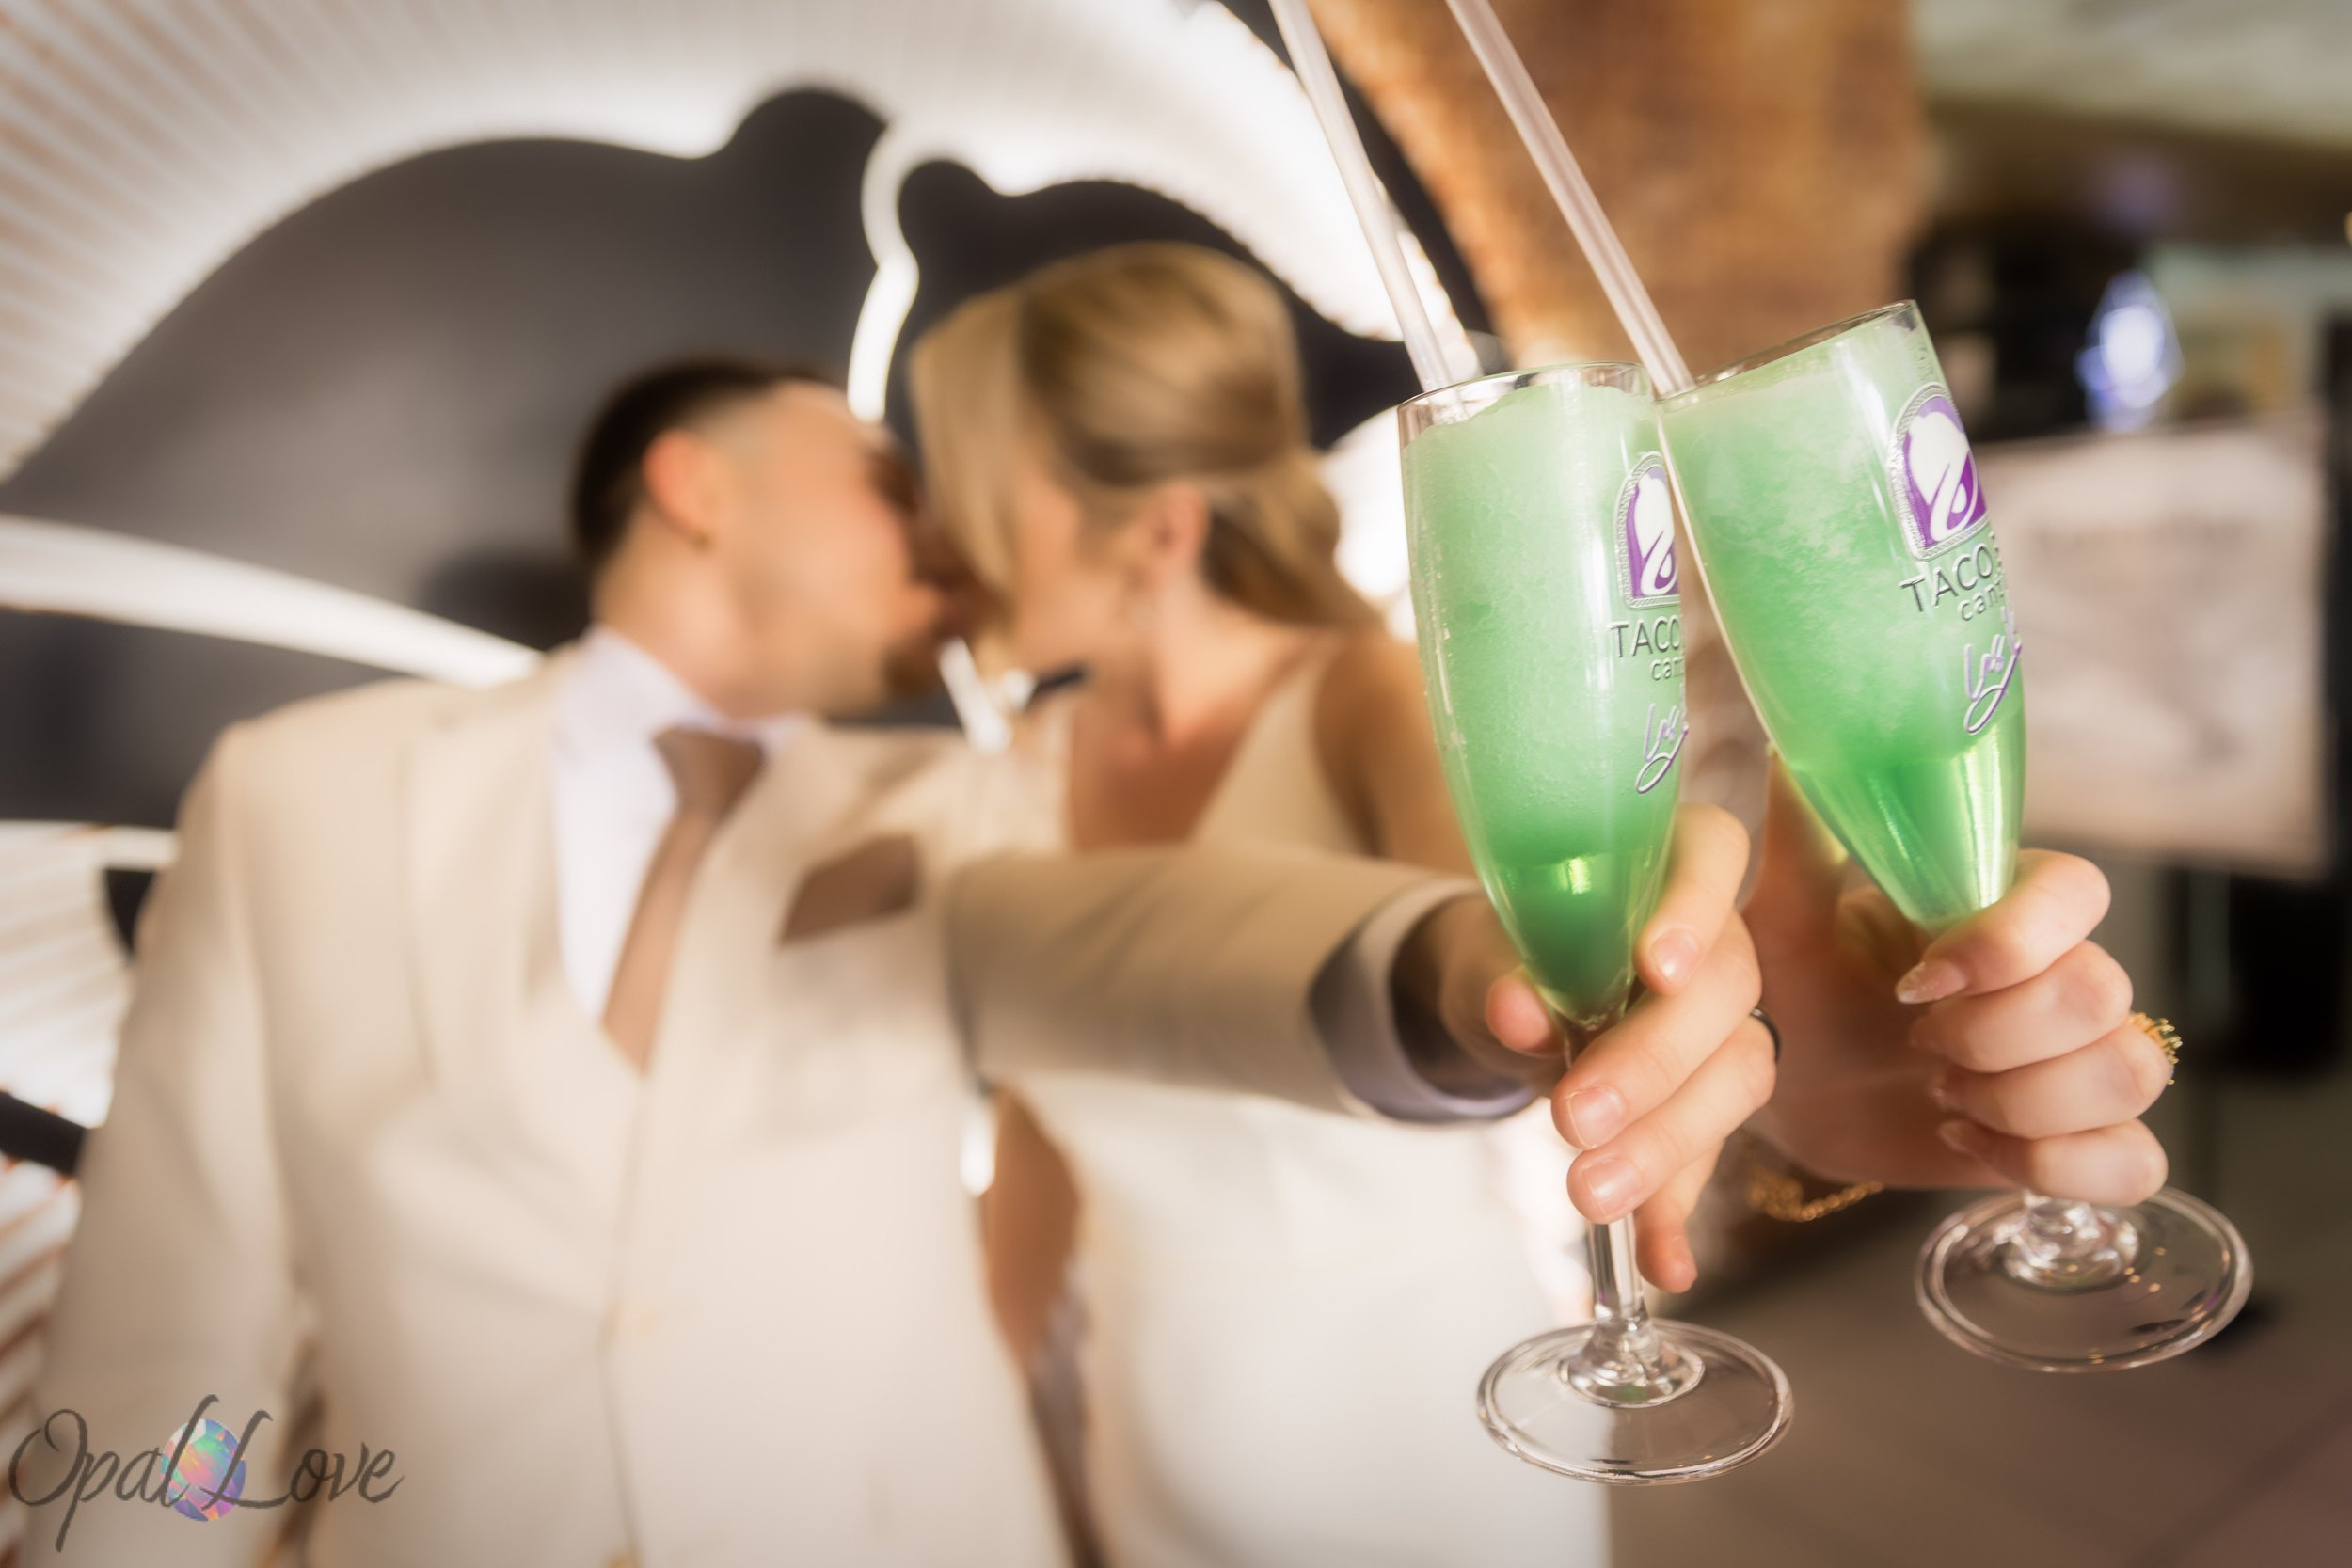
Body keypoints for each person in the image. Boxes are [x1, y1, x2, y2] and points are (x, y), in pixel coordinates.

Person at [22, 360, 1768, 1568]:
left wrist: (1455, 972)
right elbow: (175, 1364)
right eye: (880, 483)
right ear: (695, 488)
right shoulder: (297, 795)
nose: (940, 539)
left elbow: (1153, 952)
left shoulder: (957, 800)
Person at [910, 242, 2175, 1568]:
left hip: (1423, 1440)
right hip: (1151, 1448)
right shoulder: (1013, 780)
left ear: (1156, 529)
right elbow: (1044, 1149)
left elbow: (1502, 1003)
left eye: (971, 490)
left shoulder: (1376, 705)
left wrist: (1781, 1088)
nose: (943, 534)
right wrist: (998, 1461)